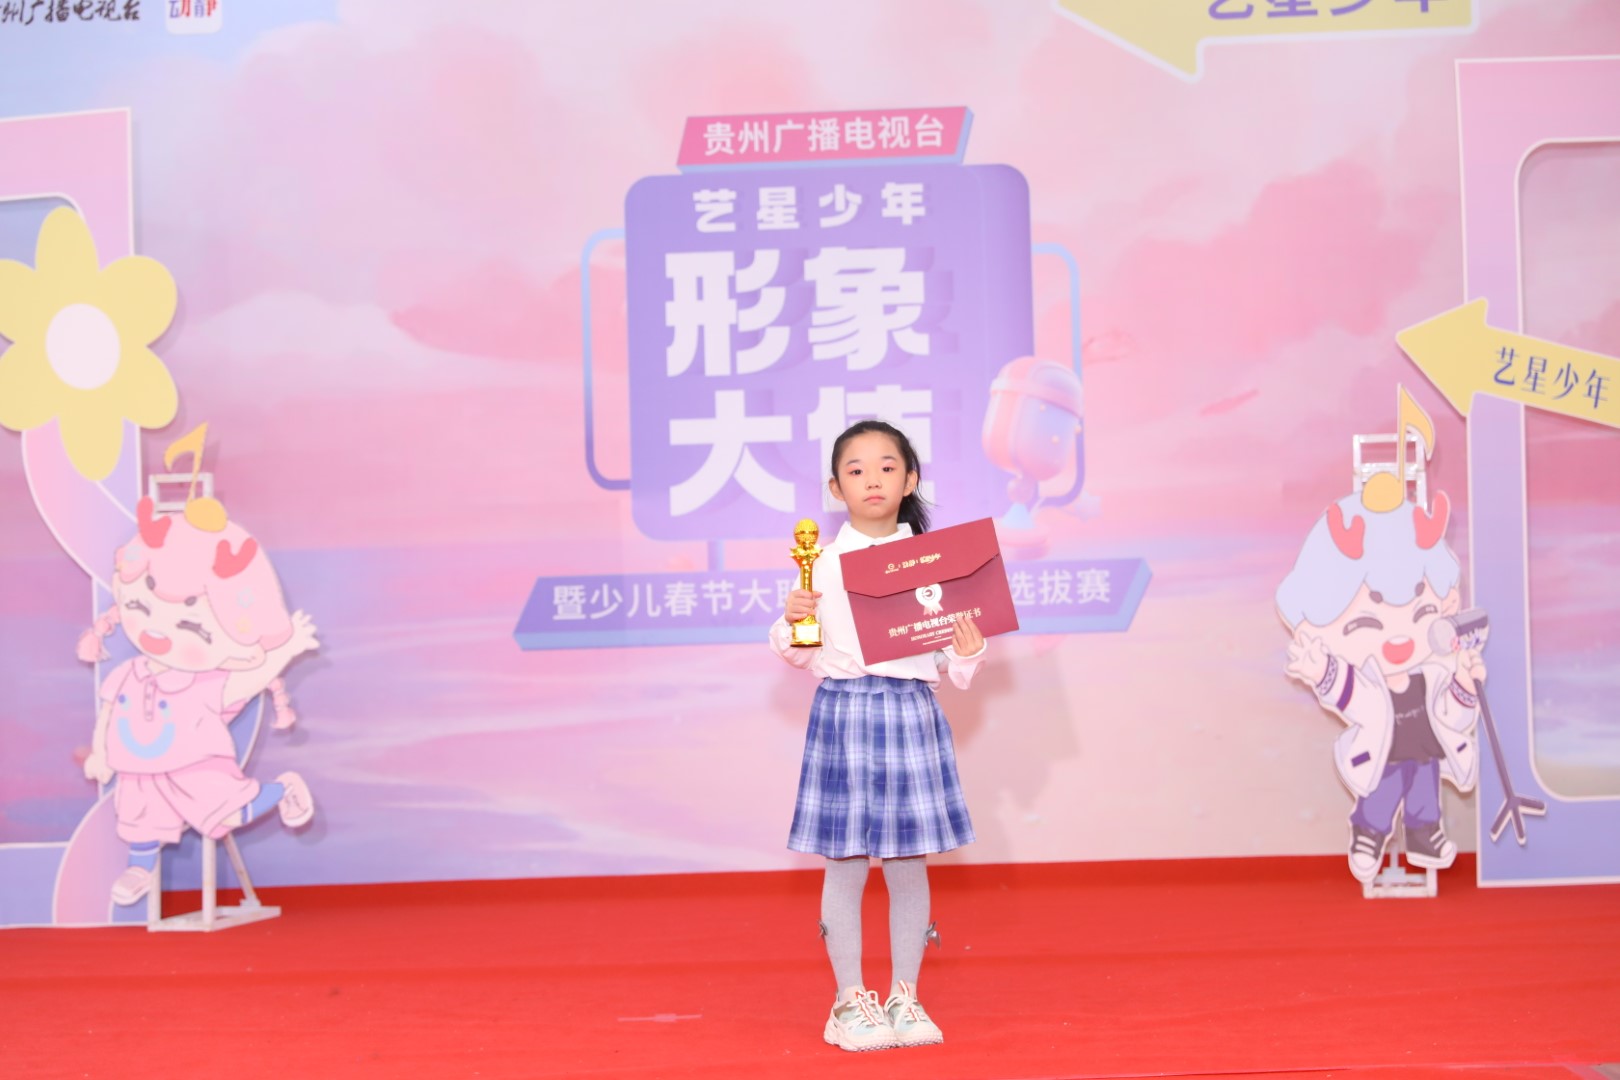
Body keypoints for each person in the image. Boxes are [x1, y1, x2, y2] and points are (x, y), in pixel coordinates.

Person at [769, 419, 985, 1052]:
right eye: (856, 470)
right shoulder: (820, 565)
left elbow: (949, 662)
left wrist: (968, 649)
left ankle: (904, 995)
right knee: (844, 861)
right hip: (844, 713)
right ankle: (847, 1001)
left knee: (908, 861)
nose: (872, 480)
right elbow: (800, 653)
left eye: (887, 467)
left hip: (911, 711)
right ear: (835, 488)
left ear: (910, 480)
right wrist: (791, 620)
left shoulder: (936, 565)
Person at [78, 495, 320, 906]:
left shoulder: (206, 684)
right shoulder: (127, 674)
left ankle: (282, 790)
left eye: (191, 626)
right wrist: (101, 754)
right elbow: (108, 714)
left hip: (196, 767)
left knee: (227, 813)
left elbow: (251, 679)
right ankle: (140, 867)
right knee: (139, 820)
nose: (158, 632)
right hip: (137, 769)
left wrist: (286, 650)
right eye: (140, 606)